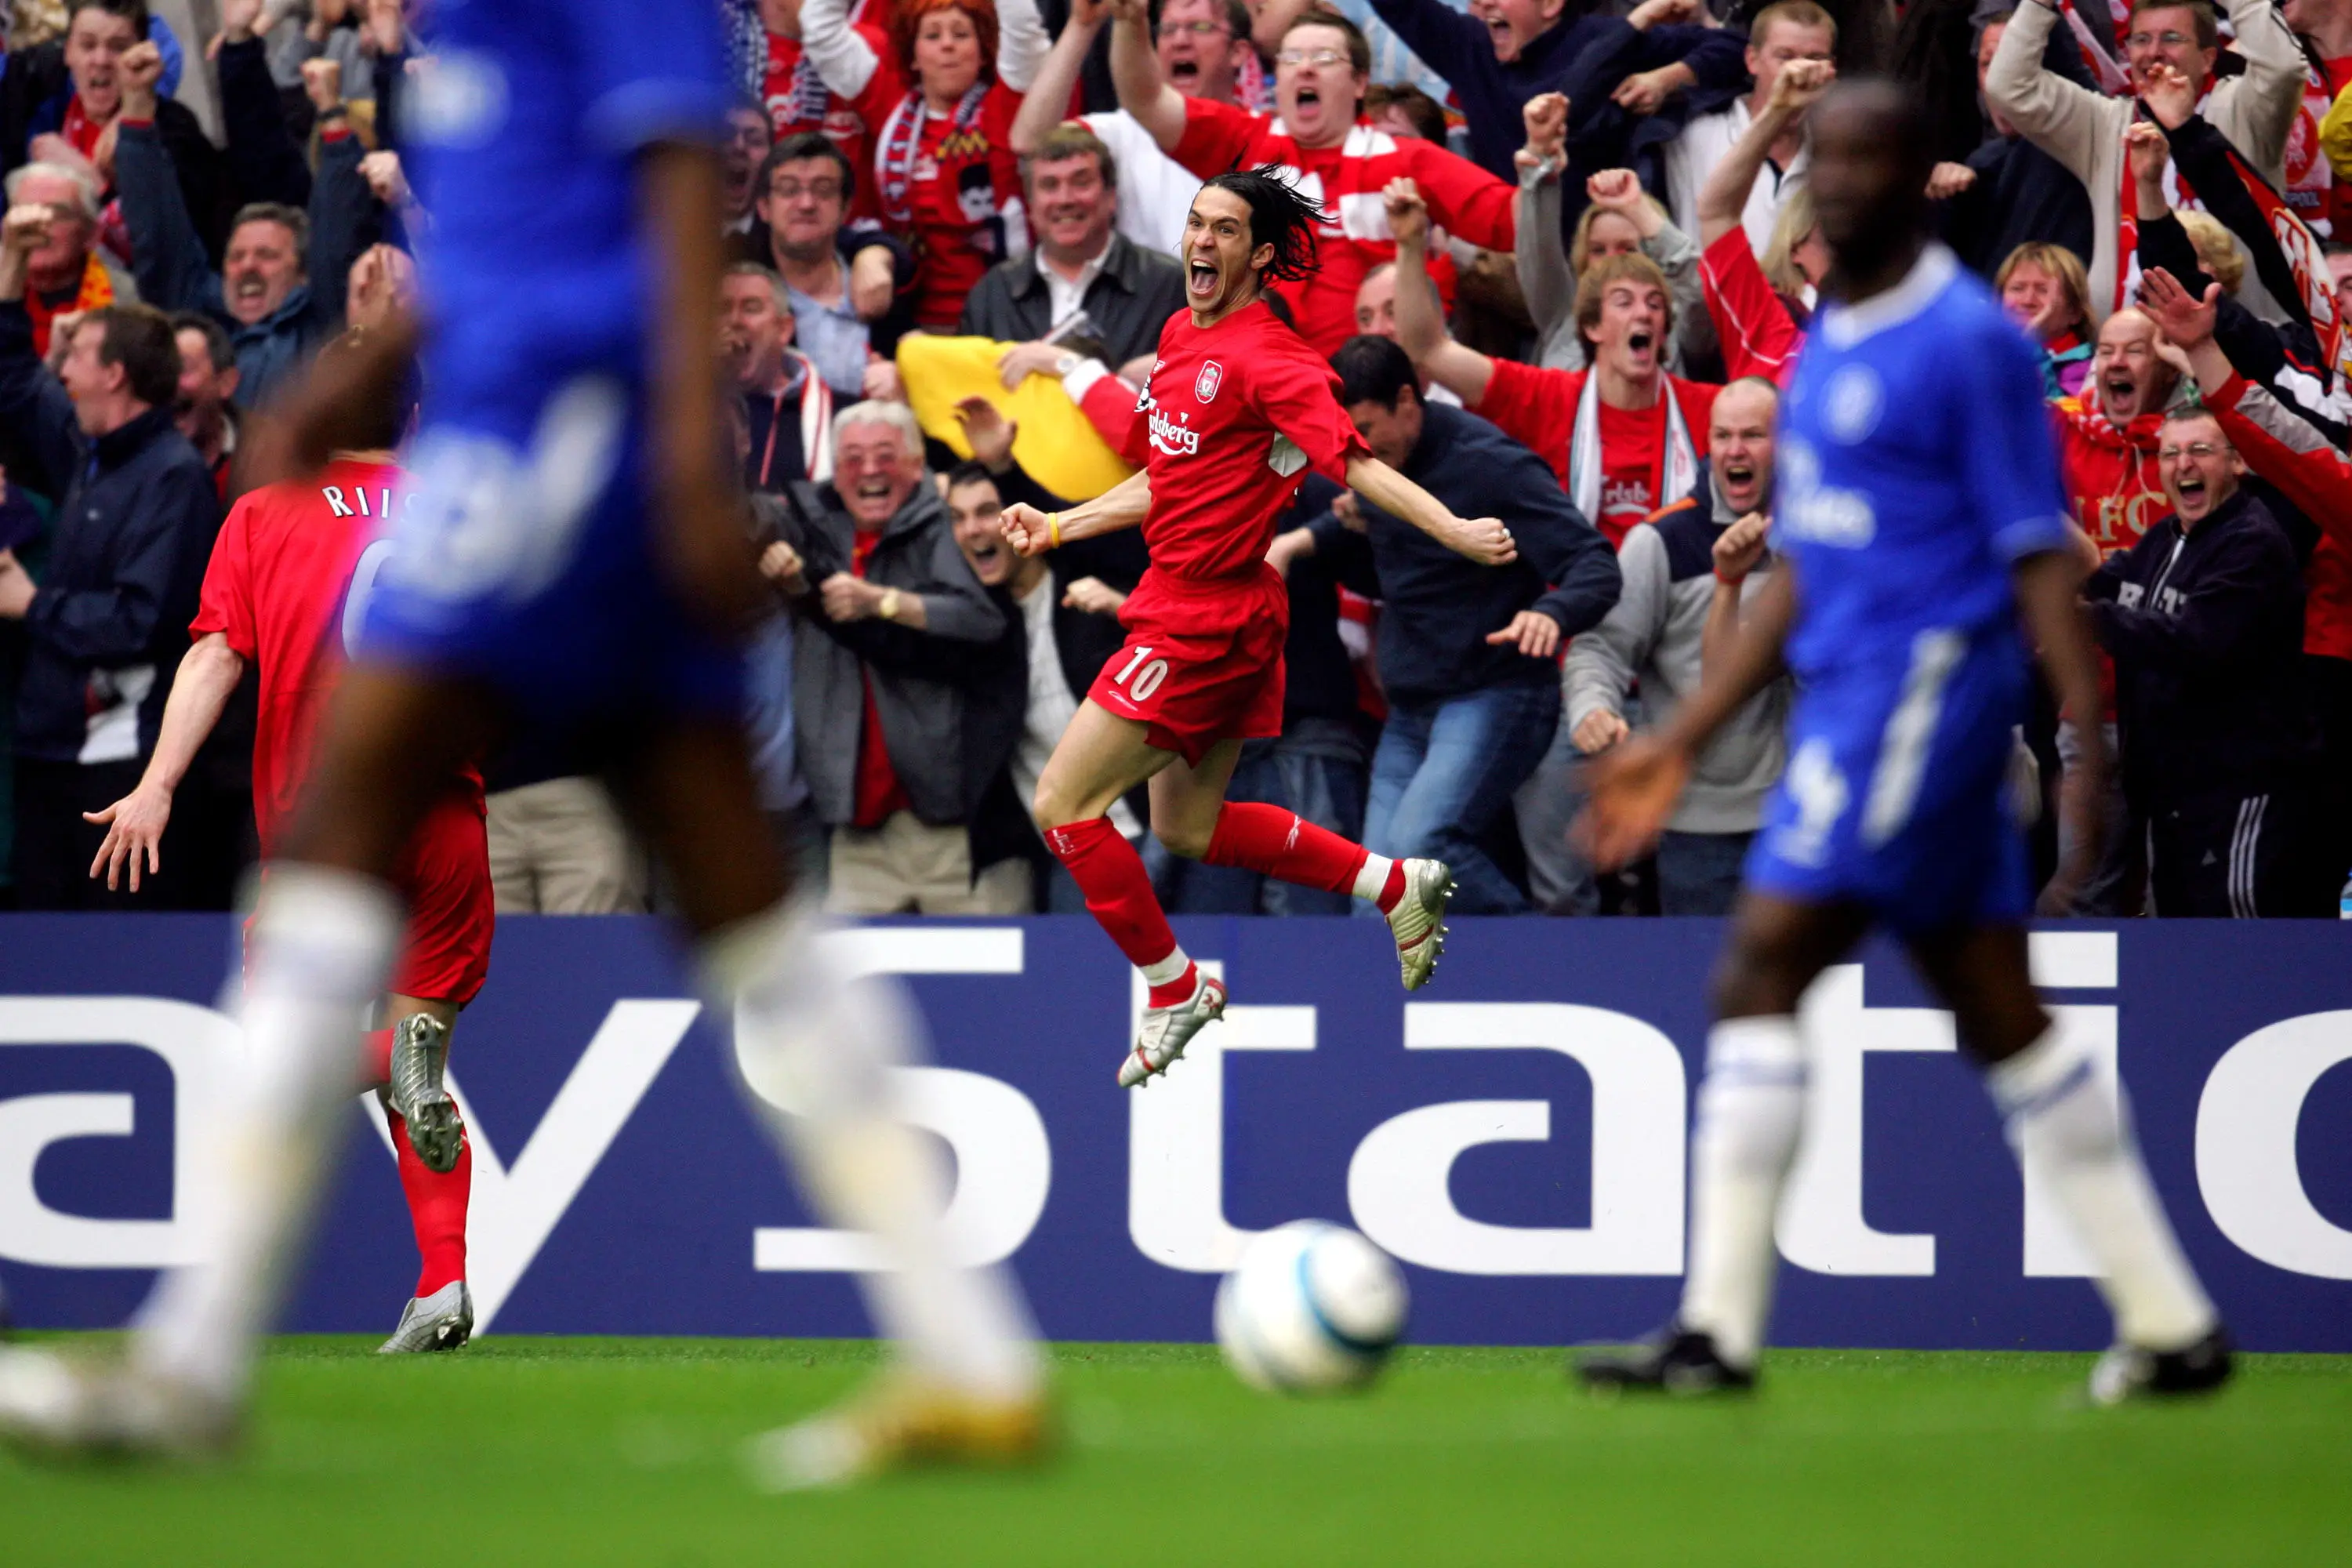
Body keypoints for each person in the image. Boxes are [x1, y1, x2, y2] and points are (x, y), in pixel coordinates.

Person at [0, 0, 1046, 1487]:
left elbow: (680, 181)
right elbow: (529, 209)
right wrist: (369, 373)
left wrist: (686, 452)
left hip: (558, 437)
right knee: (739, 894)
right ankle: (973, 1355)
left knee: (342, 825)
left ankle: (191, 1360)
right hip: (530, 417)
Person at [1575, 79, 2230, 1403]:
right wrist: (1680, 735)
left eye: (1868, 160)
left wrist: (2086, 739)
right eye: (1823, 160)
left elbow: (2039, 548)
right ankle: (2173, 1328)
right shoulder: (1823, 354)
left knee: (1761, 969)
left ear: (1919, 175)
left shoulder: (1968, 342)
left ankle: (1716, 1332)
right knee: (2004, 1014)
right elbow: (1810, 567)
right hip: (1853, 693)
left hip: (1924, 697)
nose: (1839, 181)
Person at [998, 168, 1515, 1087]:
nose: (1201, 241)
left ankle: (1172, 986)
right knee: (1190, 829)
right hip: (1201, 607)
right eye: (1196, 223)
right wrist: (1061, 524)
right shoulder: (1177, 335)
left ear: (1260, 254)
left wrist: (1456, 529)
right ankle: (1397, 885)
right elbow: (1169, 479)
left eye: (1226, 230)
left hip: (1204, 617)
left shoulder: (1270, 357)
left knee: (1061, 804)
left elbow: (1353, 465)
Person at [80, 337, 492, 1350]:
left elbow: (218, 654)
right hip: (441, 821)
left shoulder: (263, 512)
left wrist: (155, 784)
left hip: (326, 829)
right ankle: (442, 1283)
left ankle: (207, 1329)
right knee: (416, 1075)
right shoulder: (461, 503)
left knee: (277, 1071)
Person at [1269, 335, 1619, 913]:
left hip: (1497, 693)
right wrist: (1299, 544)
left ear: (1409, 399)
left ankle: (1537, 965)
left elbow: (1595, 563)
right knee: (1373, 896)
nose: (1357, 449)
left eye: (1366, 427)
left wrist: (1550, 612)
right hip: (1411, 710)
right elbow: (1373, 540)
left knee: (1419, 848)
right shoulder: (1377, 467)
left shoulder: (1488, 463)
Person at [0, 227, 219, 910]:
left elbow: (142, 621)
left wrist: (31, 604)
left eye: (77, 359)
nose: (62, 371)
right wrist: (10, 259)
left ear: (115, 374)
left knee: (109, 952)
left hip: (119, 773)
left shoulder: (174, 478)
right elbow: (13, 377)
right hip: (48, 754)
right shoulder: (86, 450)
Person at [1108, 3, 1519, 357]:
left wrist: (1545, 163)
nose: (1304, 68)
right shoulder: (1247, 139)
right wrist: (1130, 24)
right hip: (1263, 386)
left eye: (1323, 59)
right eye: (1290, 59)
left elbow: (1511, 220)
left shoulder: (1409, 160)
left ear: (1359, 82)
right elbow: (1146, 101)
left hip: (1377, 389)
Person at [768, 400, 1026, 913]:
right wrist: (797, 585)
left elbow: (986, 623)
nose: (869, 471)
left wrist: (882, 601)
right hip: (856, 830)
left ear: (916, 466)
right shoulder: (812, 531)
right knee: (860, 990)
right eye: (853, 458)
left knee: (983, 991)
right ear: (835, 474)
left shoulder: (950, 530)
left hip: (959, 832)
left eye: (886, 455)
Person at [2081, 407, 2324, 915]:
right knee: (2183, 944)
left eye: (2199, 451)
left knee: (2241, 946)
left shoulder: (2251, 544)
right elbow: (2107, 580)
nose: (2182, 464)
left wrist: (2086, 620)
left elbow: (2195, 640)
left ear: (2237, 463)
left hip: (2241, 795)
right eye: (2170, 453)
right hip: (2175, 796)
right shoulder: (2166, 539)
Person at [1563, 377, 1790, 916]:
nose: (1735, 450)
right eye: (1722, 435)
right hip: (1696, 822)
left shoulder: (1819, 533)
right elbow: (1599, 647)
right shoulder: (1661, 541)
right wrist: (1592, 705)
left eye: (1754, 435)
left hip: (1799, 816)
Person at [1392, 176, 1720, 547]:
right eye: (1625, 302)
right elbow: (1428, 350)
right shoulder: (1549, 397)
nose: (1643, 314)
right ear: (1593, 326)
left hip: (1683, 591)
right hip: (1580, 595)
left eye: (1655, 304)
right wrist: (1409, 245)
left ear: (1665, 329)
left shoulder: (1710, 409)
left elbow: (1721, 305)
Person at [1987, 0, 2305, 323]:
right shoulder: (2106, 123)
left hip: (2240, 344)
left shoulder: (2246, 110)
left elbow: (2284, 69)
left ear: (2208, 58)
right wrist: (2039, 5)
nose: (2153, 52)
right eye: (2141, 40)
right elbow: (2009, 86)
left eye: (2171, 38)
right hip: (2130, 344)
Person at [114, 36, 368, 407]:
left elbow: (338, 231)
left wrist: (332, 115)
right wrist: (136, 106)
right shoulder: (201, 314)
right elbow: (160, 237)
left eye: (267, 255)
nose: (247, 267)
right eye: (236, 256)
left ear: (303, 272)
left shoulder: (323, 323)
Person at [796, 0, 1043, 330]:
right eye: (931, 35)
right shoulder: (889, 104)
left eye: (961, 34)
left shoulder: (1009, 107)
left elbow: (1024, 31)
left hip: (1009, 321)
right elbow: (820, 28)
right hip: (913, 325)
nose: (947, 44)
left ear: (984, 52)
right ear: (912, 56)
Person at [1348, 0, 1745, 183]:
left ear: (1552, 4)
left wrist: (1666, 78)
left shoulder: (1607, 38)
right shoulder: (1471, 45)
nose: (1482, 4)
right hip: (1503, 255)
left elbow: (1735, 49)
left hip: (1593, 252)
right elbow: (1401, 6)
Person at [1007, 0, 1254, 258]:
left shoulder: (1265, 136)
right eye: (1168, 30)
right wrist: (1082, 25)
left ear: (1238, 51)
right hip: (1150, 296)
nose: (1179, 41)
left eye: (1200, 27)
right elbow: (1030, 141)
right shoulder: (1124, 132)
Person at [957, 122, 1185, 383]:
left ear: (1111, 197)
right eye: (1049, 185)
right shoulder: (992, 294)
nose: (1065, 199)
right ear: (1030, 204)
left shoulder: (1168, 287)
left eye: (1081, 182)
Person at [1517, 93, 1709, 376]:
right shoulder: (1565, 315)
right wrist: (1540, 156)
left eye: (1628, 249)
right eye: (1597, 250)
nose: (1611, 261)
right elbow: (1538, 255)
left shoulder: (1676, 324)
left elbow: (1700, 293)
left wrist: (1639, 210)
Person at [1662, 1, 1839, 256]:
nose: (1798, 71)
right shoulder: (1695, 135)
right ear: (1752, 60)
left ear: (1831, 68)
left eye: (1815, 59)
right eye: (1785, 57)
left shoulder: (1841, 151)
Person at [752, 133, 916, 403]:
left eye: (823, 190)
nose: (806, 204)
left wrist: (907, 387)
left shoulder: (884, 291)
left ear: (846, 208)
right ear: (764, 208)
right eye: (789, 190)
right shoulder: (739, 293)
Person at [1939, 14, 2095, 285]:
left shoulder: (2081, 144)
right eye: (1988, 64)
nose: (1997, 81)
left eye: (2011, 65)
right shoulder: (1980, 163)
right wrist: (1940, 199)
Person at [723, 261, 835, 492]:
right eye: (722, 309)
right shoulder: (684, 414)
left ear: (784, 329)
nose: (734, 321)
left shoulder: (838, 413)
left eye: (751, 308)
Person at [2, 158, 133, 358]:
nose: (38, 225)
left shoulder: (127, 304)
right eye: (24, 212)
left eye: (57, 213)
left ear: (92, 234)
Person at [1994, 241, 2096, 398]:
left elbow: (2053, 416)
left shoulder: (2089, 371)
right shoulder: (1980, 353)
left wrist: (2029, 343)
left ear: (2074, 312)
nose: (2028, 300)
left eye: (2043, 290)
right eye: (2018, 288)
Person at [169, 308, 238, 497]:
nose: (169, 384)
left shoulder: (269, 460)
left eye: (183, 368)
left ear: (226, 383)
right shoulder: (132, 462)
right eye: (162, 370)